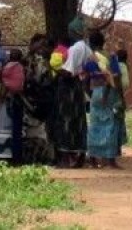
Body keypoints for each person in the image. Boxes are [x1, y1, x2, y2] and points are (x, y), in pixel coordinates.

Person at [51, 16, 90, 168]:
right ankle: (79, 156)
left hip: (69, 89)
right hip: (78, 87)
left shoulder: (74, 49)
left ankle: (66, 158)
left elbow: (68, 72)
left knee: (66, 121)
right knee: (78, 121)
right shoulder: (86, 48)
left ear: (74, 32)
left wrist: (55, 69)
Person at [86, 31, 124, 169]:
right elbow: (117, 76)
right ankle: (109, 160)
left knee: (95, 125)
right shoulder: (111, 56)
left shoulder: (90, 58)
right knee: (110, 125)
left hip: (95, 93)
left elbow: (87, 77)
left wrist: (89, 94)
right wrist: (120, 95)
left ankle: (93, 158)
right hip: (110, 92)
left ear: (90, 43)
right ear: (103, 43)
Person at [23, 34, 56, 165]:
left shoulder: (41, 61)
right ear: (33, 43)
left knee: (39, 130)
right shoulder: (25, 59)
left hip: (39, 100)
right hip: (27, 99)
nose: (42, 48)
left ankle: (43, 157)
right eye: (40, 44)